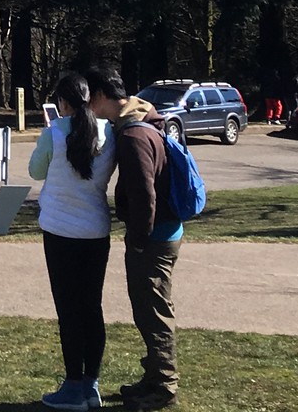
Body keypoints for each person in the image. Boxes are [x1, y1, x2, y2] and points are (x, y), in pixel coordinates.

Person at [86, 66, 181, 410]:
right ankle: (154, 377)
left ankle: (164, 387)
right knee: (150, 308)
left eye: (88, 100)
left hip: (154, 237)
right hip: (161, 232)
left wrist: (139, 239)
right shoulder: (139, 121)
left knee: (153, 311)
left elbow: (144, 195)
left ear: (99, 97)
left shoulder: (132, 136)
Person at [28, 71, 115, 410]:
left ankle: (73, 384)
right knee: (92, 308)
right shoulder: (109, 133)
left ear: (62, 102)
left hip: (60, 232)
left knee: (68, 310)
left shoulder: (54, 134)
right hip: (96, 231)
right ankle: (91, 384)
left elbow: (36, 171)